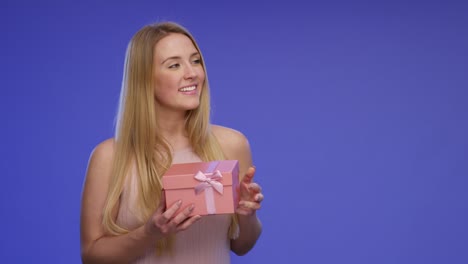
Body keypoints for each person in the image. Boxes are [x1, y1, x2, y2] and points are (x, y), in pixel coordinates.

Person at [80, 21, 263, 264]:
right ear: (144, 78)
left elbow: (242, 246)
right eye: (174, 65)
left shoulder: (231, 144)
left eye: (195, 61)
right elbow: (92, 256)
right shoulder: (109, 156)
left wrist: (246, 215)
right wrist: (150, 233)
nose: (193, 73)